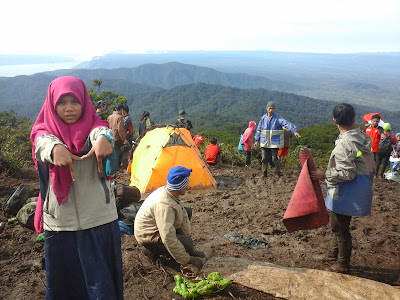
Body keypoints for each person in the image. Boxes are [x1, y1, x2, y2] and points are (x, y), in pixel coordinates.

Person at [30, 76, 123, 299]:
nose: (69, 108)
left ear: (84, 101)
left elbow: (100, 132)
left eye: (75, 102)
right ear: (52, 104)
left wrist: (103, 139)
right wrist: (55, 148)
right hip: (61, 224)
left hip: (99, 219)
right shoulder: (44, 131)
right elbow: (41, 141)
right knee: (66, 288)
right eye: (62, 103)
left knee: (102, 287)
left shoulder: (96, 125)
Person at [311, 103, 374, 274]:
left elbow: (347, 173)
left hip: (345, 192)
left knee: (340, 229)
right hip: (357, 191)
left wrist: (324, 175)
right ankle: (333, 255)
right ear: (353, 119)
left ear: (334, 121)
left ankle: (342, 265)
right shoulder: (359, 137)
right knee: (339, 226)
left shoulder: (344, 144)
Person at [134, 166, 205, 270]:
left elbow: (183, 214)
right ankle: (155, 252)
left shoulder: (169, 192)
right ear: (180, 187)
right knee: (186, 242)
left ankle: (183, 247)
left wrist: (190, 250)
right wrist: (187, 259)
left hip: (157, 226)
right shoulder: (164, 206)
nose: (188, 186)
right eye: (186, 184)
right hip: (149, 236)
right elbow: (168, 237)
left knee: (187, 212)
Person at [254, 101, 300, 177]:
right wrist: (256, 140)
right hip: (264, 141)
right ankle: (264, 172)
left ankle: (277, 172)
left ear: (274, 109)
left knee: (274, 158)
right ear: (266, 109)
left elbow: (286, 124)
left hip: (274, 142)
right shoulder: (263, 118)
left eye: (272, 109)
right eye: (269, 108)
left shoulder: (278, 118)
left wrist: (294, 131)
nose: (271, 110)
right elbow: (259, 129)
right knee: (264, 158)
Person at [107, 104, 129, 169]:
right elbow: (120, 130)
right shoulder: (120, 117)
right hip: (117, 138)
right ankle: (122, 167)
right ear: (121, 110)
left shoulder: (109, 117)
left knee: (113, 154)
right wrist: (124, 139)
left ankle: (112, 169)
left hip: (110, 137)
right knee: (127, 150)